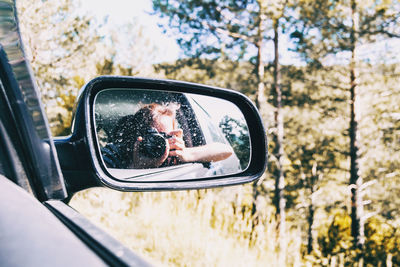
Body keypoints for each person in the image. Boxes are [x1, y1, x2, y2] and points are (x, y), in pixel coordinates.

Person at [103, 103, 233, 169]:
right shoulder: (118, 152)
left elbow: (227, 150)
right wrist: (135, 166)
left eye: (164, 135)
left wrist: (187, 154)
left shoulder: (176, 155)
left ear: (174, 135)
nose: (157, 141)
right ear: (136, 136)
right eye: (149, 135)